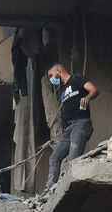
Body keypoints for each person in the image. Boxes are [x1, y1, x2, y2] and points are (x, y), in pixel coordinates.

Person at [43, 63, 100, 194]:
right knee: (54, 158)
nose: (52, 79)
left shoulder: (76, 79)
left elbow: (94, 90)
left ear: (58, 70)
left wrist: (87, 97)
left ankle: (70, 190)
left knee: (73, 158)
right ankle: (48, 190)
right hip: (68, 129)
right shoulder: (63, 90)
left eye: (51, 76)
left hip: (80, 124)